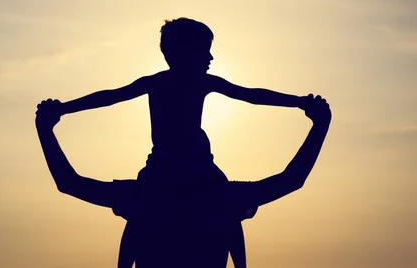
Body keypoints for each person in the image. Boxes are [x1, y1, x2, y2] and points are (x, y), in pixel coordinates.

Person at [39, 17, 312, 266]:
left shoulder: (175, 85)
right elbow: (109, 96)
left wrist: (57, 116)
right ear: (183, 52)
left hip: (171, 178)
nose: (211, 57)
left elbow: (252, 95)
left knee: (217, 210)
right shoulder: (216, 197)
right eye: (205, 50)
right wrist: (63, 110)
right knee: (226, 211)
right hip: (176, 176)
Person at [35, 94, 332, 268]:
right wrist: (320, 126)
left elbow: (69, 183)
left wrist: (46, 129)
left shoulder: (145, 198)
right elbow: (292, 179)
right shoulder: (222, 199)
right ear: (207, 157)